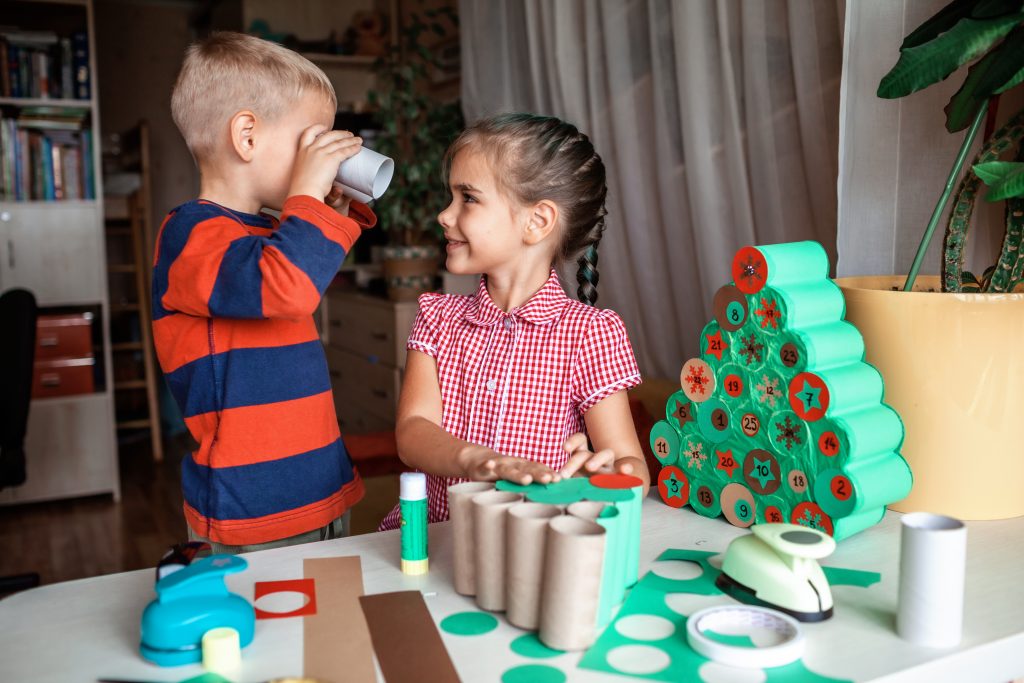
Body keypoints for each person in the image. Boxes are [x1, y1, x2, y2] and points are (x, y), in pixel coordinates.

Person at [153, 32, 374, 553]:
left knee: (327, 630)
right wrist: (306, 197)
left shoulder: (270, 238)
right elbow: (286, 289)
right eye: (310, 141)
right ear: (247, 136)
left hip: (320, 488)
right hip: (250, 507)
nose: (319, 156)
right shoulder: (191, 235)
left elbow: (296, 271)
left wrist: (330, 207)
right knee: (267, 634)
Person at [380, 113, 648, 530]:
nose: (444, 215)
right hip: (428, 541)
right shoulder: (437, 316)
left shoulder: (591, 333)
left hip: (529, 552)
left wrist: (597, 482)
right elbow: (412, 433)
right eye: (450, 197)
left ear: (536, 221)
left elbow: (633, 470)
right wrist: (480, 461)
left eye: (467, 198)